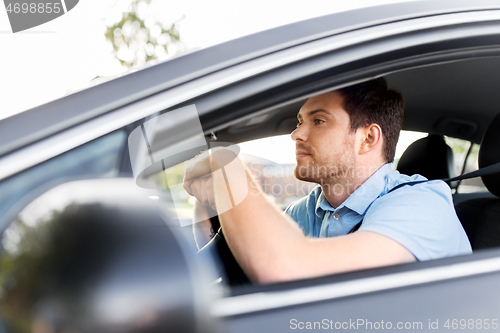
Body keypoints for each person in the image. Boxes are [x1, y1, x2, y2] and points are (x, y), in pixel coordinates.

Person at [183, 78, 472, 284]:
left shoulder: (423, 204)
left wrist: (227, 166)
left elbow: (284, 267)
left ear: (367, 138)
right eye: (299, 121)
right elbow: (226, 264)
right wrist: (213, 207)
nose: (296, 134)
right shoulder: (308, 210)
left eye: (318, 121)